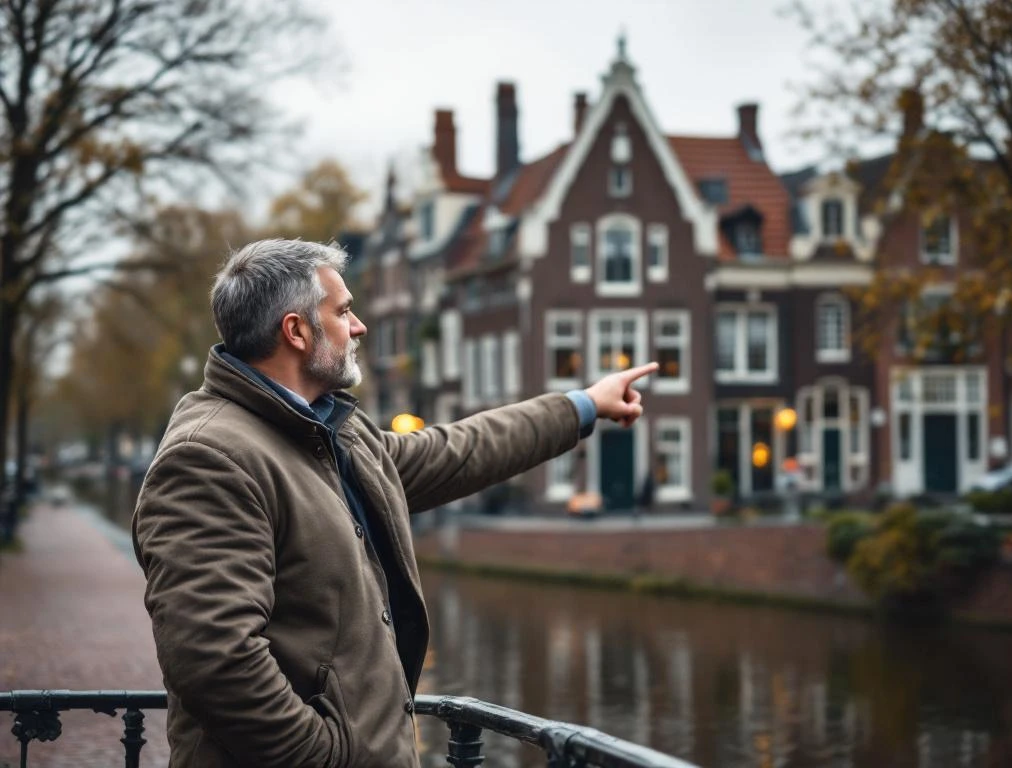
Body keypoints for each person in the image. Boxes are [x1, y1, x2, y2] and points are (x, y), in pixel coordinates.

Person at [132, 238, 657, 768]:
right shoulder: (210, 457)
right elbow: (214, 660)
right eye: (343, 311)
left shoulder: (333, 432)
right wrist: (329, 756)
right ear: (295, 331)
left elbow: (458, 452)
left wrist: (584, 405)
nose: (358, 327)